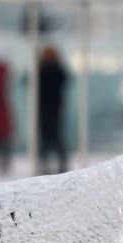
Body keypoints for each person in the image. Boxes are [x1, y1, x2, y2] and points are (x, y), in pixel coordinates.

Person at [37, 46, 69, 175]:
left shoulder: (50, 69)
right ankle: (49, 163)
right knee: (49, 136)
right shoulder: (52, 69)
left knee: (52, 136)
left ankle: (56, 163)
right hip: (49, 106)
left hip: (50, 106)